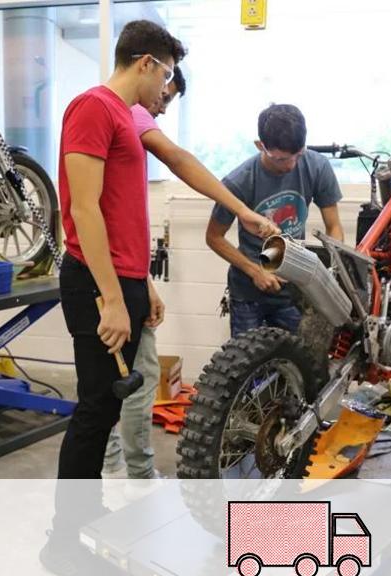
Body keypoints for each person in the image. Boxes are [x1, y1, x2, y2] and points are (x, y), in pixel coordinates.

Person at [39, 21, 274, 576]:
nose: (168, 87)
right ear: (145, 63)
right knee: (96, 409)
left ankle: (85, 513)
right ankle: (61, 543)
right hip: (98, 282)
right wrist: (114, 299)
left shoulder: (127, 116)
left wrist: (237, 212)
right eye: (167, 75)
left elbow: (165, 174)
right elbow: (86, 213)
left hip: (123, 277)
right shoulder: (93, 108)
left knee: (109, 406)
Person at [103, 66, 279, 478]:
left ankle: (116, 467)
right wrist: (242, 210)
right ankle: (132, 474)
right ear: (148, 68)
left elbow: (120, 222)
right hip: (108, 279)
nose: (163, 108)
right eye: (166, 95)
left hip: (126, 275)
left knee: (121, 379)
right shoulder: (126, 114)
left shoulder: (124, 125)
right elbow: (179, 159)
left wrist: (144, 284)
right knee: (127, 380)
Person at [206, 103, 344, 337]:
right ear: (261, 146)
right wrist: (254, 271)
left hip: (295, 290)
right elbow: (213, 237)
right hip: (249, 292)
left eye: (297, 156)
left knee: (301, 364)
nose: (290, 165)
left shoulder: (317, 166)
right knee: (248, 368)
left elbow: (334, 227)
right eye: (280, 159)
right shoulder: (239, 181)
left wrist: (332, 271)